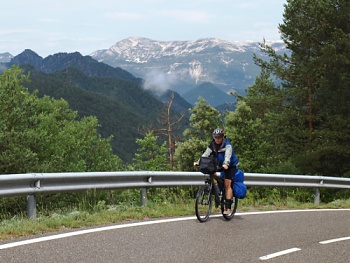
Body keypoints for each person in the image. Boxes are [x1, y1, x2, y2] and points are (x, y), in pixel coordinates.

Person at [194, 128, 239, 214]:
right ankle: (217, 192)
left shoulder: (227, 145)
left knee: (227, 184)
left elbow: (228, 155)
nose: (217, 139)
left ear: (222, 137)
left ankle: (228, 207)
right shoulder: (213, 144)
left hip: (230, 166)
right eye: (215, 137)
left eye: (219, 137)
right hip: (218, 163)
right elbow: (205, 154)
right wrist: (198, 162)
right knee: (212, 175)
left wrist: (226, 164)